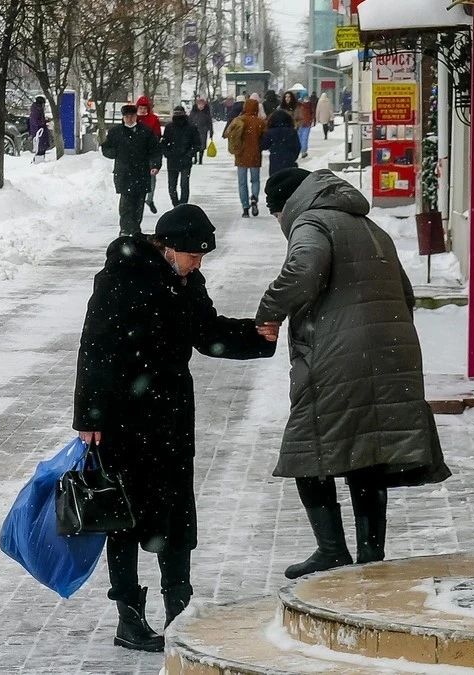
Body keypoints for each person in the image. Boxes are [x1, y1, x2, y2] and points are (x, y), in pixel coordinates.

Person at [73, 205, 276, 651]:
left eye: (202, 258)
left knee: (176, 514)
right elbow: (95, 347)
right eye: (192, 255)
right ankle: (129, 615)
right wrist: (89, 418)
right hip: (124, 418)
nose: (197, 264)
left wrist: (254, 337)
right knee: (124, 519)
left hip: (171, 416)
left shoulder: (187, 282)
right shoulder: (119, 278)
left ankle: (179, 611)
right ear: (166, 247)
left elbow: (206, 334)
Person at [255, 168, 451, 579]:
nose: (279, 224)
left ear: (286, 205)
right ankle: (370, 554)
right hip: (389, 354)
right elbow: (405, 292)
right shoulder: (368, 226)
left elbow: (303, 273)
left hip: (342, 356)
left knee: (306, 450)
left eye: (276, 215)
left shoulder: (311, 221)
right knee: (367, 452)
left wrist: (270, 311)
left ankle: (331, 550)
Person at [101, 104, 162, 237]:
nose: (129, 119)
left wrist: (155, 165)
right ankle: (124, 229)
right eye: (127, 117)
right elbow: (106, 148)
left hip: (141, 172)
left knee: (138, 203)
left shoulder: (145, 131)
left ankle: (135, 229)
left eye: (132, 116)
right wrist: (115, 153)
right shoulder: (115, 132)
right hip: (123, 173)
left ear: (136, 117)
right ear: (123, 118)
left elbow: (155, 150)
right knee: (126, 203)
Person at [223, 97, 266, 218]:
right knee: (255, 180)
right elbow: (265, 138)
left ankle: (245, 207)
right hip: (255, 155)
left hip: (240, 155)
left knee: (242, 183)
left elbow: (227, 133)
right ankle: (254, 198)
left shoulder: (238, 120)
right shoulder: (260, 122)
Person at [160, 105, 201, 206]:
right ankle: (177, 205)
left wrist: (189, 154)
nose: (178, 116)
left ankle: (182, 206)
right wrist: (168, 154)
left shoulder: (191, 127)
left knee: (184, 185)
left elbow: (197, 144)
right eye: (176, 114)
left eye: (180, 114)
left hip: (185, 160)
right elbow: (164, 143)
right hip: (173, 159)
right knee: (172, 187)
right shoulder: (169, 127)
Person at [135, 96, 163, 213]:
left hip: (150, 152)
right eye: (140, 108)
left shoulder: (153, 119)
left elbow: (157, 135)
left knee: (151, 177)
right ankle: (138, 198)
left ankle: (149, 198)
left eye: (144, 108)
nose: (142, 110)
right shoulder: (134, 118)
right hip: (136, 153)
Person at [260, 109, 301, 176]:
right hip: (289, 161)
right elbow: (297, 147)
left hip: (275, 162)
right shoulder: (292, 132)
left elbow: (264, 145)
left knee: (276, 181)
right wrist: (293, 157)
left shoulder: (270, 132)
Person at [189, 97, 214, 164]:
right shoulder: (193, 112)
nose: (201, 106)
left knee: (202, 146)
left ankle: (200, 159)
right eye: (199, 104)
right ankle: (195, 158)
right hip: (194, 131)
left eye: (202, 104)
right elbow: (189, 121)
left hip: (203, 131)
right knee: (194, 145)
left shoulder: (206, 113)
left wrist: (211, 131)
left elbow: (209, 122)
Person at [28, 95, 52, 163]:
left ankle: (39, 161)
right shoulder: (37, 110)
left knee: (41, 148)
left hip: (38, 132)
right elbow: (36, 122)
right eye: (44, 104)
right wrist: (44, 122)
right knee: (40, 148)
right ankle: (38, 162)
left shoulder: (36, 109)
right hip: (39, 133)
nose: (44, 106)